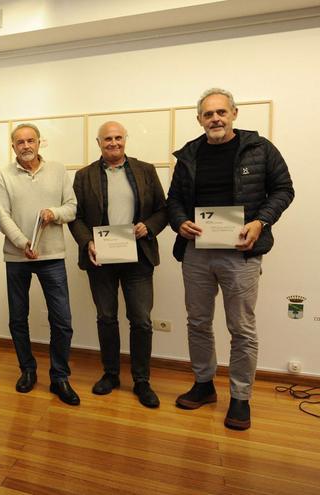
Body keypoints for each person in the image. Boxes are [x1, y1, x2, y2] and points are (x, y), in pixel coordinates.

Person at [167, 88, 294, 430]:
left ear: (234, 114)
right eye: (208, 115)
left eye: (221, 112)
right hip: (197, 253)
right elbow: (173, 200)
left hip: (241, 253)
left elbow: (284, 189)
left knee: (241, 328)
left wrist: (260, 221)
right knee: (197, 322)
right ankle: (204, 384)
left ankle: (240, 397)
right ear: (199, 120)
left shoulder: (260, 149)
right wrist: (180, 222)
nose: (215, 119)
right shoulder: (189, 155)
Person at [68, 121, 168, 408]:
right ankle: (110, 374)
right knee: (106, 318)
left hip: (138, 257)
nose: (113, 143)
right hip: (102, 258)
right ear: (98, 143)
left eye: (118, 138)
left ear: (125, 140)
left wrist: (148, 227)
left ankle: (141, 380)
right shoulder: (84, 175)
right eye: (107, 139)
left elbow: (163, 209)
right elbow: (76, 216)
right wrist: (88, 241)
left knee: (141, 320)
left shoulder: (145, 170)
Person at [0, 123, 80, 405]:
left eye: (31, 140)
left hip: (52, 256)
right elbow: (2, 215)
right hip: (18, 256)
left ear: (39, 142)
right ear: (13, 146)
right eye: (20, 142)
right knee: (18, 318)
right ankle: (27, 371)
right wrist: (22, 243)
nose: (26, 146)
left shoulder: (58, 170)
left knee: (62, 320)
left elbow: (72, 207)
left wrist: (53, 213)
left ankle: (59, 377)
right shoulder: (4, 175)